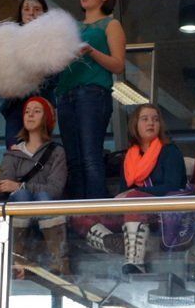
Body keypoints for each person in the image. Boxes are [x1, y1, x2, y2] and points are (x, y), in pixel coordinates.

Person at [73, 104, 187, 274]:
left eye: (155, 119)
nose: (151, 123)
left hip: (160, 212)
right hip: (132, 211)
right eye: (145, 119)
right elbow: (123, 192)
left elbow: (173, 186)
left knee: (133, 199)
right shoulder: (130, 156)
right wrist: (127, 197)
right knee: (79, 214)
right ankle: (118, 244)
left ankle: (135, 262)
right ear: (135, 125)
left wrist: (136, 194)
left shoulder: (170, 151)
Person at [55, 0, 126, 200]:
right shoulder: (72, 26)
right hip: (65, 94)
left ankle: (97, 212)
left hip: (92, 93)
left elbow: (118, 65)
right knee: (74, 160)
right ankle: (80, 214)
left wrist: (91, 51)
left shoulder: (111, 24)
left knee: (90, 156)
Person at [0, 97, 69, 273]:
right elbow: (5, 185)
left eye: (37, 111)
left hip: (46, 208)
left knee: (42, 196)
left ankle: (59, 260)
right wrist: (20, 189)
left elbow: (55, 189)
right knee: (22, 196)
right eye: (27, 111)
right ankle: (17, 259)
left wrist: (20, 186)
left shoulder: (57, 152)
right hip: (22, 209)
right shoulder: (13, 153)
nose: (30, 115)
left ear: (46, 119)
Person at [0, 0, 58, 147]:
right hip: (15, 105)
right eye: (26, 9)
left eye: (37, 9)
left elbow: (56, 75)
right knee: (14, 151)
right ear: (20, 13)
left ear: (45, 14)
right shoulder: (9, 38)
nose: (31, 13)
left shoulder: (54, 39)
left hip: (41, 104)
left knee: (39, 151)